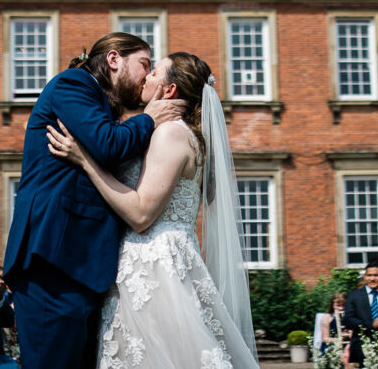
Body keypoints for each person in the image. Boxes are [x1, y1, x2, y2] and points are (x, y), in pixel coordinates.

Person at [46, 51, 259, 367]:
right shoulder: (177, 132)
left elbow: (141, 214)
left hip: (154, 265)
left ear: (169, 90)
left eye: (154, 72)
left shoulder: (171, 133)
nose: (145, 77)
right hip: (161, 260)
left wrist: (84, 160)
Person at [2, 32, 184, 369]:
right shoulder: (74, 84)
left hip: (82, 266)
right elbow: (107, 144)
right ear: (114, 59)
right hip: (53, 260)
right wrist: (150, 119)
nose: (147, 74)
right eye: (144, 64)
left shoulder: (106, 105)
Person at [345, 261, 378, 367]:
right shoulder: (354, 295)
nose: (372, 279)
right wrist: (371, 324)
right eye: (369, 275)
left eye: (376, 275)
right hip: (362, 341)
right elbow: (348, 320)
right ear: (364, 276)